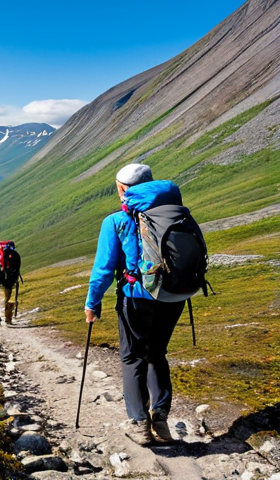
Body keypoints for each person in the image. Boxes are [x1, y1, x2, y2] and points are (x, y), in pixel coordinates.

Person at [83, 164, 185, 445]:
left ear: (122, 188)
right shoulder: (174, 213)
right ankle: (161, 419)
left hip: (137, 298)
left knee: (132, 357)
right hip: (174, 297)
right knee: (157, 353)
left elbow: (103, 270)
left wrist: (92, 304)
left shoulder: (116, 221)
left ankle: (139, 424)